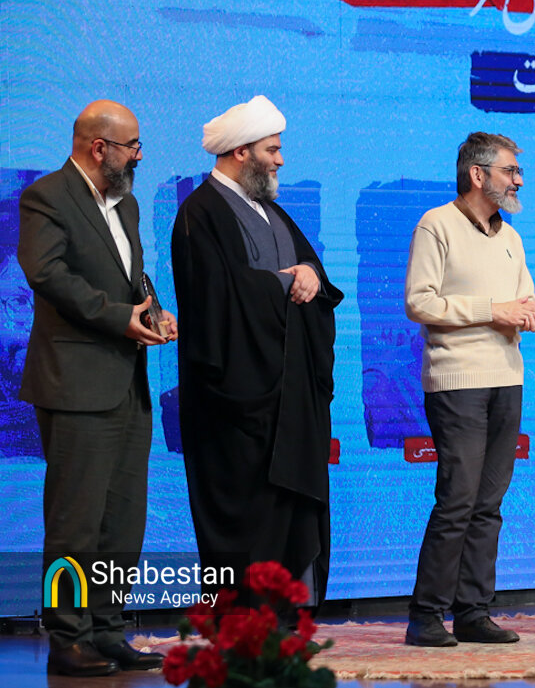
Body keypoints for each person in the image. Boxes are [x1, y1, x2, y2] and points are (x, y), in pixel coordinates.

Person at [19, 100, 174, 676]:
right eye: (132, 145)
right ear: (98, 147)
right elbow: (48, 274)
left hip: (128, 381)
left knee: (123, 517)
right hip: (76, 382)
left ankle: (108, 630)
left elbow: (128, 280)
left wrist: (152, 312)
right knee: (76, 522)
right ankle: (68, 637)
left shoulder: (125, 204)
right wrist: (118, 318)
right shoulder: (47, 196)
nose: (139, 155)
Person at [172, 95, 343, 606]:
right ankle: (241, 621)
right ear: (241, 152)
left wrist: (309, 274)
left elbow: (312, 274)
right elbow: (215, 299)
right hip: (233, 404)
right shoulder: (199, 213)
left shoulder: (272, 212)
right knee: (242, 522)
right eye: (272, 149)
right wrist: (282, 284)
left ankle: (285, 616)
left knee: (288, 509)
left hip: (287, 402)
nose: (280, 160)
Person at [403, 132, 535, 647]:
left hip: (507, 379)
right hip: (457, 382)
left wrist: (533, 310)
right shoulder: (436, 224)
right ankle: (426, 615)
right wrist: (494, 310)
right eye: (510, 171)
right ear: (477, 174)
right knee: (458, 500)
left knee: (490, 504)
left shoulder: (510, 236)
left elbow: (521, 298)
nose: (518, 181)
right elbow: (420, 302)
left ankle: (473, 611)